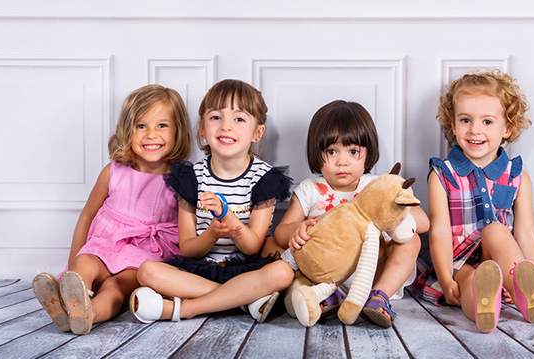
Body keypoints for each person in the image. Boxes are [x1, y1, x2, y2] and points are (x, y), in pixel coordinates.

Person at [32, 84, 192, 335]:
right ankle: (69, 296)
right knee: (86, 262)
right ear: (128, 131)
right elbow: (87, 215)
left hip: (147, 252)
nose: (151, 134)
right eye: (141, 126)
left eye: (162, 125)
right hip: (107, 243)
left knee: (116, 287)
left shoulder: (182, 178)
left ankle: (87, 315)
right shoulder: (114, 171)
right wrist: (72, 264)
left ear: (178, 131)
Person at [130, 79, 293, 324]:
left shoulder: (265, 179)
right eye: (216, 117)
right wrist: (212, 234)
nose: (226, 126)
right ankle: (243, 300)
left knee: (282, 272)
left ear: (257, 132)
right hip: (202, 270)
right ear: (202, 130)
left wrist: (226, 216)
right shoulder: (191, 178)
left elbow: (252, 247)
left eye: (239, 119)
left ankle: (184, 309)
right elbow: (188, 248)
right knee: (147, 271)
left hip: (247, 269)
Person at [273, 100, 429, 328]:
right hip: (326, 277)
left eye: (353, 151)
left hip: (372, 274)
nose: (342, 161)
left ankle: (378, 298)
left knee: (411, 240)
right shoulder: (310, 189)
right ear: (317, 153)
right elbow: (280, 232)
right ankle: (325, 299)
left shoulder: (376, 185)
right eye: (332, 151)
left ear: (368, 153)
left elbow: (422, 222)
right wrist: (296, 230)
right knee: (274, 250)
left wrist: (391, 213)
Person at [412, 70, 534, 333]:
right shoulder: (442, 175)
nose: (474, 130)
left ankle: (522, 286)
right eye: (465, 120)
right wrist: (447, 278)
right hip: (458, 260)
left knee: (495, 229)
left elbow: (526, 233)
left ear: (507, 128)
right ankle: (484, 308)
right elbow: (438, 231)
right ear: (452, 124)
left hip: (502, 255)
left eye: (487, 122)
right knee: (472, 281)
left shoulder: (518, 177)